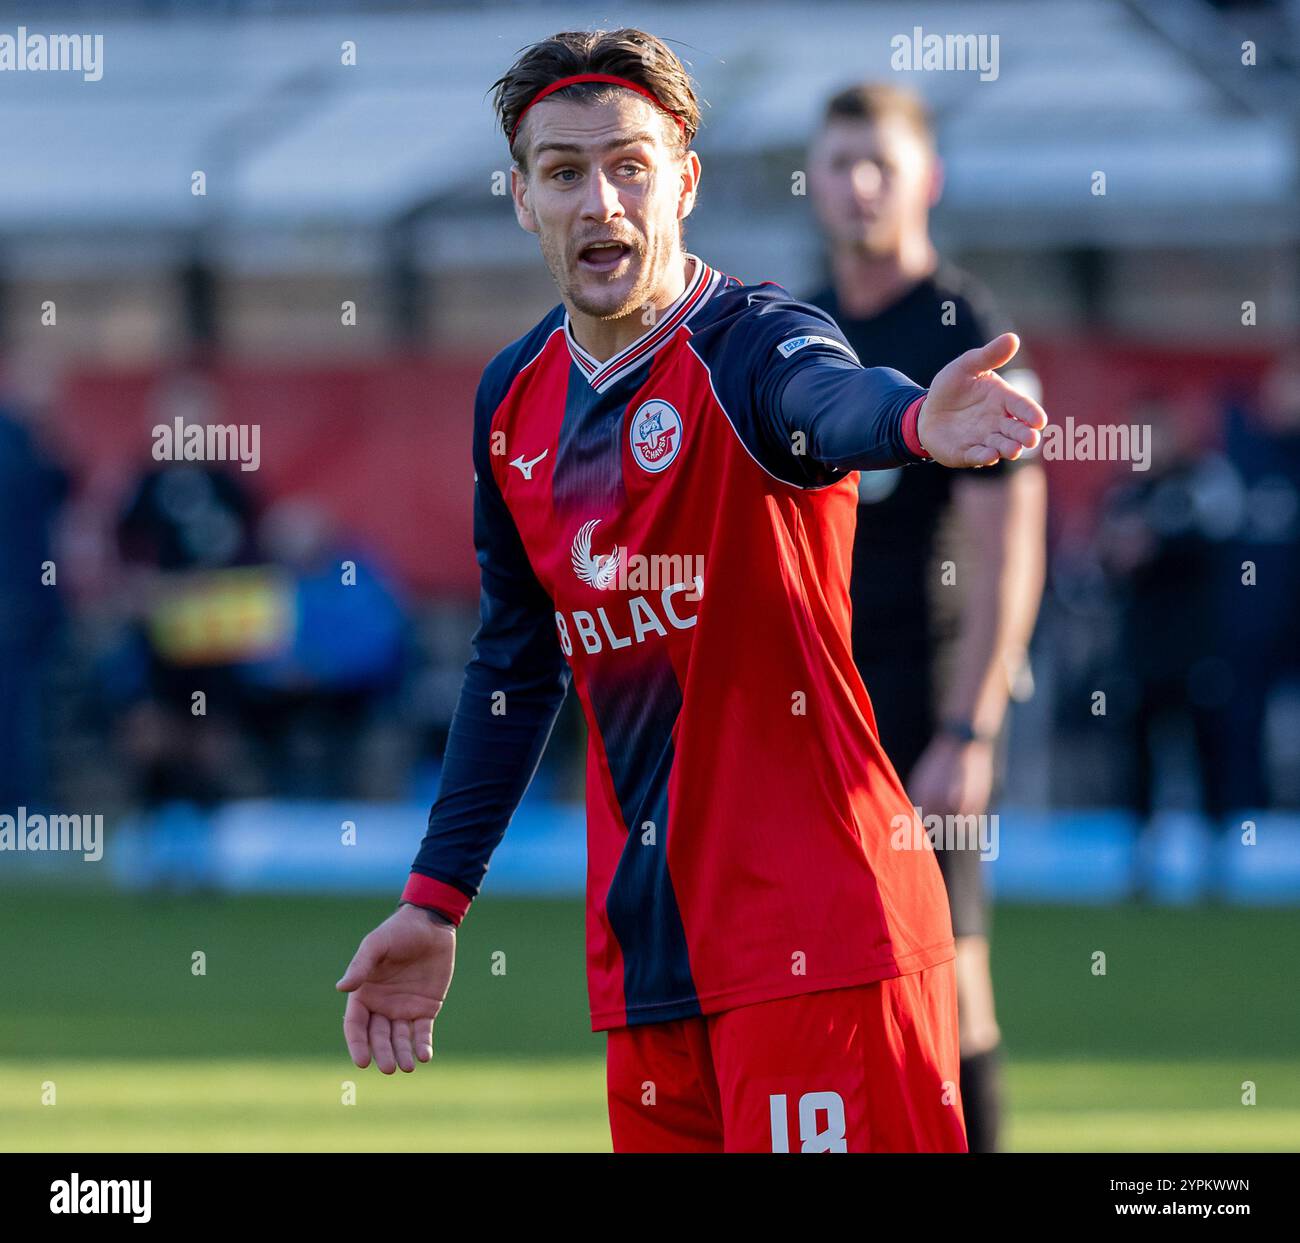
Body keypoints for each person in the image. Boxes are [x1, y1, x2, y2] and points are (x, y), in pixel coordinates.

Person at [336, 28, 1046, 1154]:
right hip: (648, 960)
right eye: (563, 171)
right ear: (522, 200)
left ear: (685, 181)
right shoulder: (511, 401)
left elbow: (831, 399)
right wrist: (435, 901)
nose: (600, 200)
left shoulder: (752, 342)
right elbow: (517, 665)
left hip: (818, 939)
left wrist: (911, 420)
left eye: (629, 164)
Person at [804, 83, 1048, 1152]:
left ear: (925, 181)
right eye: (838, 162)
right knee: (805, 979)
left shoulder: (966, 329)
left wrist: (971, 727)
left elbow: (1011, 545)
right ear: (810, 179)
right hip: (811, 711)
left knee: (954, 979)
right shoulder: (795, 329)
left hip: (924, 708)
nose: (857, 185)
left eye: (880, 164)